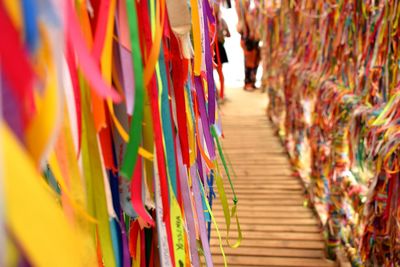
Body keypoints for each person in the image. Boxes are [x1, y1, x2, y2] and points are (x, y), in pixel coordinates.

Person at [236, 0, 261, 91]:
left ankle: (252, 82)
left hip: (252, 41)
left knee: (255, 61)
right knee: (249, 62)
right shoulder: (245, 16)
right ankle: (248, 83)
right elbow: (242, 30)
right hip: (249, 41)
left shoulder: (251, 15)